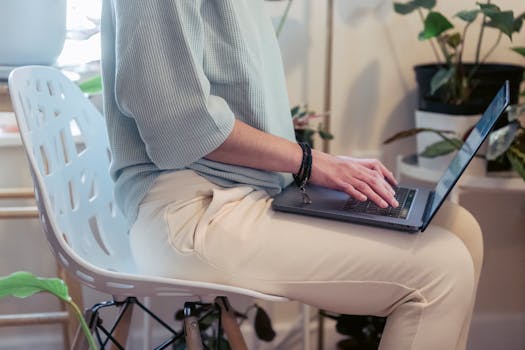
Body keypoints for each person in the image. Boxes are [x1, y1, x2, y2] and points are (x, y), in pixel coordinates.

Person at [100, 1, 483, 349]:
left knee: (460, 228)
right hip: (190, 211)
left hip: (245, 190)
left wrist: (321, 169)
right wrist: (310, 162)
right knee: (441, 269)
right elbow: (181, 126)